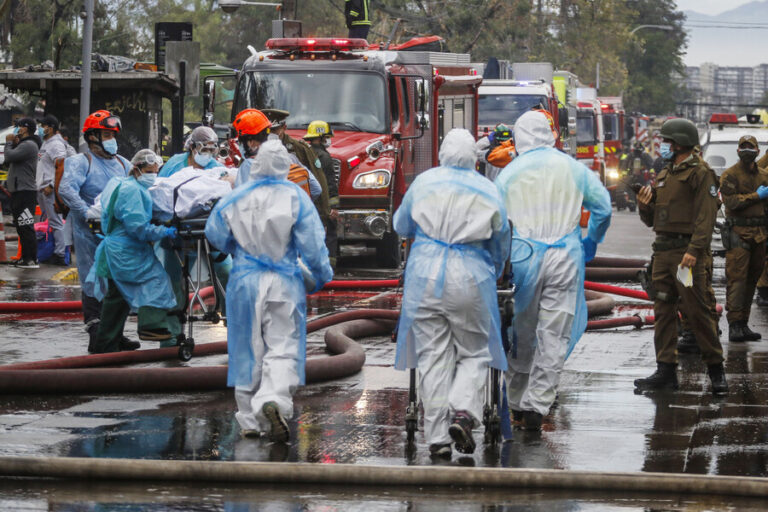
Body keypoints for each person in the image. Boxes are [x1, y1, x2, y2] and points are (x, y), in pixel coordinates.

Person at [205, 139, 333, 442]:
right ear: (284, 165)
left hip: (245, 280)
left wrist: (238, 248)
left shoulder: (235, 197)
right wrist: (322, 273)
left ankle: (250, 420)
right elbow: (313, 245)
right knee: (282, 345)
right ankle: (272, 399)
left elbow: (214, 233)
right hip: (284, 280)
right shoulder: (294, 198)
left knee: (247, 348)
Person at [393, 128, 510, 458]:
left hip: (424, 277)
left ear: (442, 152)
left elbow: (401, 225)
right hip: (470, 276)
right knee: (475, 351)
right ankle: (462, 412)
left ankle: (438, 439)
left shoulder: (424, 183)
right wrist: (496, 270)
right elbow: (500, 239)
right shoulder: (488, 190)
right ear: (473, 156)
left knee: (432, 358)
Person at [495, 111, 611, 431]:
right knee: (554, 333)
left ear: (519, 138)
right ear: (549, 134)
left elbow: (495, 222)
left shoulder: (508, 174)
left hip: (522, 257)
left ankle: (517, 402)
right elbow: (602, 206)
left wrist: (498, 260)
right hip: (565, 257)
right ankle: (538, 404)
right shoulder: (573, 168)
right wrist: (591, 242)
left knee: (519, 331)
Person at [635, 118, 727, 395]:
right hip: (662, 253)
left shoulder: (701, 174)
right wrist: (643, 206)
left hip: (686, 254)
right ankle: (665, 371)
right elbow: (654, 221)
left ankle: (716, 371)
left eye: (667, 141)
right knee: (663, 311)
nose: (663, 145)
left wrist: (694, 251)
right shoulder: (666, 174)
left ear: (679, 143)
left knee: (697, 312)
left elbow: (706, 217)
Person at [86, 150, 177, 354]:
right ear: (136, 169)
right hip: (125, 251)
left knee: (117, 299)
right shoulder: (132, 191)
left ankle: (109, 343)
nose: (153, 175)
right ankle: (149, 328)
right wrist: (164, 231)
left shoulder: (124, 184)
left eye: (156, 171)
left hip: (119, 249)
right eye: (150, 171)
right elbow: (138, 228)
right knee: (156, 281)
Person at [59, 110, 130, 352]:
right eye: (106, 134)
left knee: (118, 282)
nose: (112, 139)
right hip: (90, 233)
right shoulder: (81, 162)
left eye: (113, 135)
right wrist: (86, 212)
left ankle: (116, 334)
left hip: (118, 233)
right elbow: (66, 189)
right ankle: (96, 333)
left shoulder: (123, 163)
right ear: (92, 137)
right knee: (93, 280)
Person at [154, 125, 232, 346]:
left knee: (228, 272)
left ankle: (234, 323)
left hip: (211, 230)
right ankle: (170, 338)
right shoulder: (174, 167)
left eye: (212, 149)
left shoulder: (216, 168)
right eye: (204, 149)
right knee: (174, 282)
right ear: (192, 147)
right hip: (179, 231)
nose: (208, 154)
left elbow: (225, 191)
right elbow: (161, 194)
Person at [719, 135, 768, 342]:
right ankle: (734, 324)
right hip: (739, 233)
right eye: (743, 147)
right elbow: (731, 202)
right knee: (737, 281)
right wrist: (756, 196)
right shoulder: (730, 175)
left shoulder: (764, 176)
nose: (747, 150)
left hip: (759, 234)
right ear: (738, 151)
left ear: (758, 151)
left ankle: (744, 323)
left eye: (751, 147)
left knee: (752, 279)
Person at [260, 109, 328, 216]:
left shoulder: (299, 149)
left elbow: (318, 183)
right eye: (268, 130)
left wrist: (322, 215)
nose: (271, 134)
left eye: (275, 130)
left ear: (284, 127)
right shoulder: (255, 148)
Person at [4, 117, 42, 268]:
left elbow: (9, 156)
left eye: (19, 127)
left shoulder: (29, 145)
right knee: (21, 225)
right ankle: (26, 257)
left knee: (25, 225)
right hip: (19, 190)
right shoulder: (24, 144)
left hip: (25, 192)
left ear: (25, 128)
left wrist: (8, 143)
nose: (17, 129)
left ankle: (31, 259)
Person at [35, 115, 71, 266]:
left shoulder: (56, 144)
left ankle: (60, 255)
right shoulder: (46, 143)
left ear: (50, 127)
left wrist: (51, 185)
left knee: (56, 222)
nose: (41, 128)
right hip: (43, 189)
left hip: (50, 190)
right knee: (52, 221)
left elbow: (62, 166)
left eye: (43, 125)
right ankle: (56, 251)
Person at [304, 120, 339, 268]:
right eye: (326, 137)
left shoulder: (306, 153)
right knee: (330, 233)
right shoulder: (324, 157)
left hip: (310, 202)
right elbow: (330, 183)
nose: (328, 140)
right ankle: (330, 267)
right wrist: (333, 207)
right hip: (323, 204)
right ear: (321, 137)